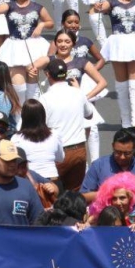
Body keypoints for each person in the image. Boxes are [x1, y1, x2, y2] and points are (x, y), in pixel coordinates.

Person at [38, 59, 94, 191]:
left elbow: (40, 125)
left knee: (53, 192)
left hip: (57, 152)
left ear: (47, 74)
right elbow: (89, 114)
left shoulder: (44, 99)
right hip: (79, 150)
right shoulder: (78, 93)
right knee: (75, 192)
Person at [81, 128, 135, 203]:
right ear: (113, 146)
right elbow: (83, 197)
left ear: (134, 148)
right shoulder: (98, 166)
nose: (122, 157)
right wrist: (108, 193)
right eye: (118, 152)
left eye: (127, 153)